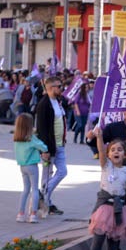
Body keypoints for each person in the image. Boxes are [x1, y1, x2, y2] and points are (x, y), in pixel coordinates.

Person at [35, 76, 72, 216]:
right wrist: (45, 149)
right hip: (50, 146)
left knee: (62, 171)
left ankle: (43, 195)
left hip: (60, 145)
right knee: (47, 175)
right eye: (59, 86)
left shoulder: (58, 101)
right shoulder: (44, 105)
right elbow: (42, 129)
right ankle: (46, 201)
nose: (61, 88)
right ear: (50, 88)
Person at [12, 113, 47, 223]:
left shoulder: (17, 139)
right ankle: (33, 214)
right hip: (32, 166)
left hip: (22, 166)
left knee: (25, 190)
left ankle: (21, 214)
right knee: (35, 190)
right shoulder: (31, 138)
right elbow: (43, 147)